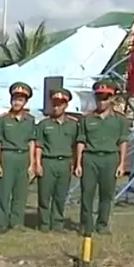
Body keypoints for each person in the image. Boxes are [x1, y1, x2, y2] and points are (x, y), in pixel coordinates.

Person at [75, 79, 130, 234]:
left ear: (112, 98)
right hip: (90, 159)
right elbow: (81, 141)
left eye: (105, 97)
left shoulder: (120, 120)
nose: (101, 101)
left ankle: (103, 224)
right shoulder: (87, 119)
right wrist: (78, 163)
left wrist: (121, 164)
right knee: (87, 193)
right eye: (98, 97)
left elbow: (123, 141)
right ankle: (86, 225)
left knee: (107, 194)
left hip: (110, 159)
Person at [0, 82, 37, 233]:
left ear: (25, 102)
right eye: (15, 99)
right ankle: (2, 223)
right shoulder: (2, 120)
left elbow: (31, 142)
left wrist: (32, 163)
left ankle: (16, 222)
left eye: (21, 100)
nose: (17, 102)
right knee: (4, 191)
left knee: (20, 192)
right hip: (7, 156)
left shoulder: (29, 120)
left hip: (23, 157)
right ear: (11, 100)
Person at [35, 88, 78, 232]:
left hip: (65, 162)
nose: (56, 107)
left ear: (66, 105)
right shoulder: (44, 124)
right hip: (48, 161)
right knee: (45, 195)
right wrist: (37, 163)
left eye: (60, 104)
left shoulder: (73, 125)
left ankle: (57, 222)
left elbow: (75, 145)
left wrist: (75, 163)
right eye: (54, 103)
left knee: (61, 195)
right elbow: (39, 145)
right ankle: (44, 223)